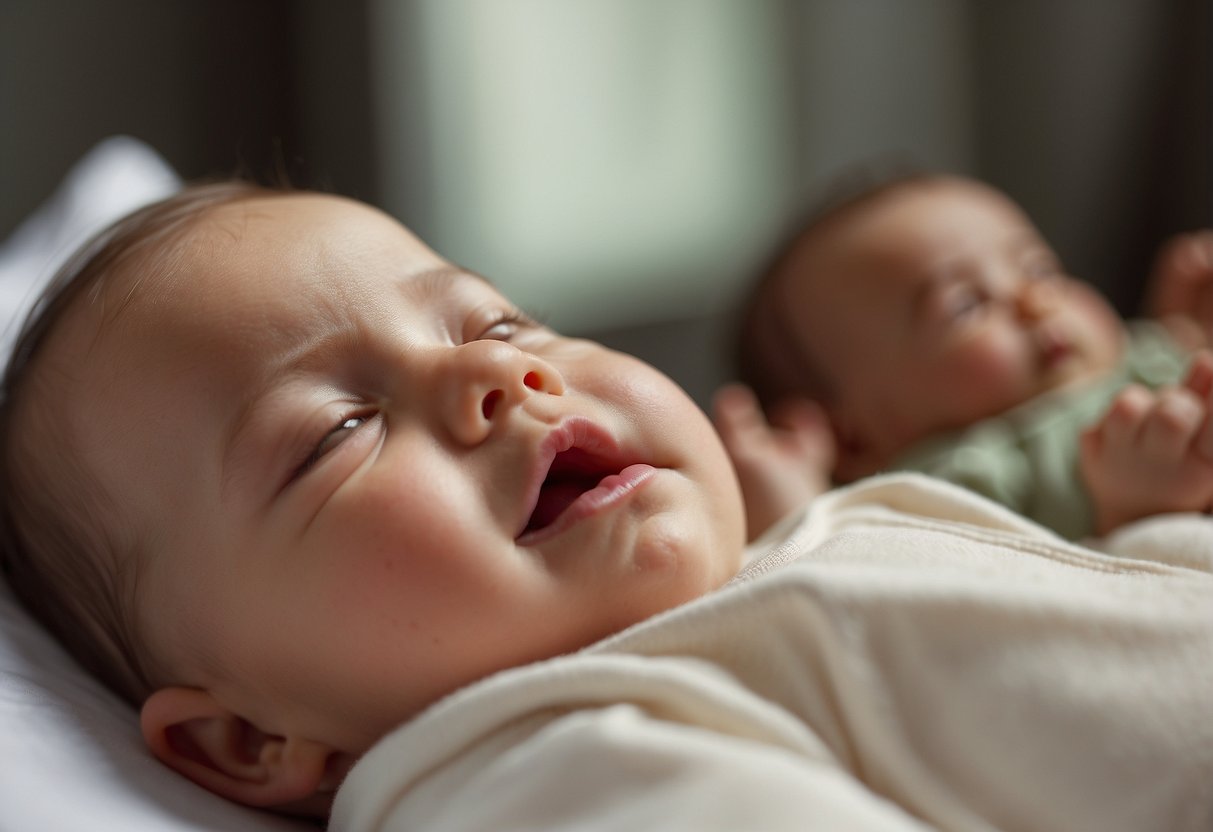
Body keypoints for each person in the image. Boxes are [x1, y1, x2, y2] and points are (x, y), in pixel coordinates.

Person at [1, 183, 1210, 831]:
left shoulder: (785, 555)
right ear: (252, 740)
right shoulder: (531, 751)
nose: (498, 375)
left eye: (494, 322)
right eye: (335, 431)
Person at [722, 172, 1213, 541]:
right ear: (851, 442)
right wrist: (798, 514)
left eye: (1039, 270)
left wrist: (1188, 336)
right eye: (966, 305)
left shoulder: (1141, 354)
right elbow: (880, 591)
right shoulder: (952, 489)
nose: (1034, 303)